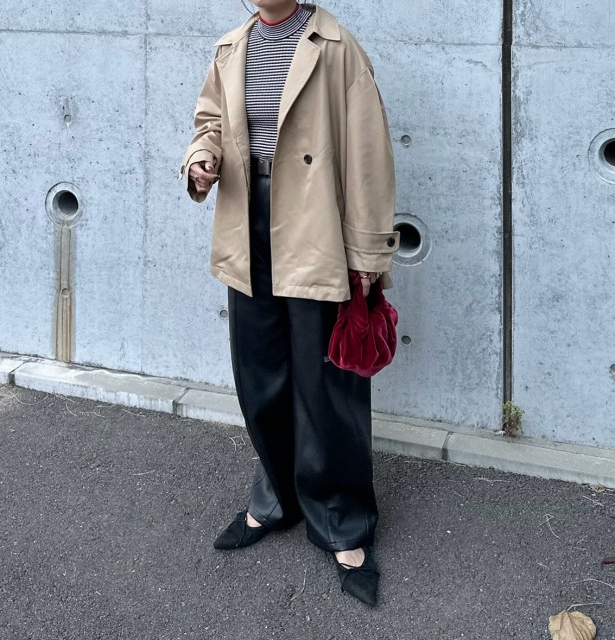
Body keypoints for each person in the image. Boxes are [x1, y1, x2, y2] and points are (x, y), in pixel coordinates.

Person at [179, 0, 399, 607]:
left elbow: (369, 154)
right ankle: (277, 497)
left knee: (326, 385)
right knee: (259, 376)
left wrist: (367, 253)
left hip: (314, 225)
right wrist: (201, 159)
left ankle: (343, 522)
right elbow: (210, 120)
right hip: (246, 221)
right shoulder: (231, 47)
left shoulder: (337, 46)